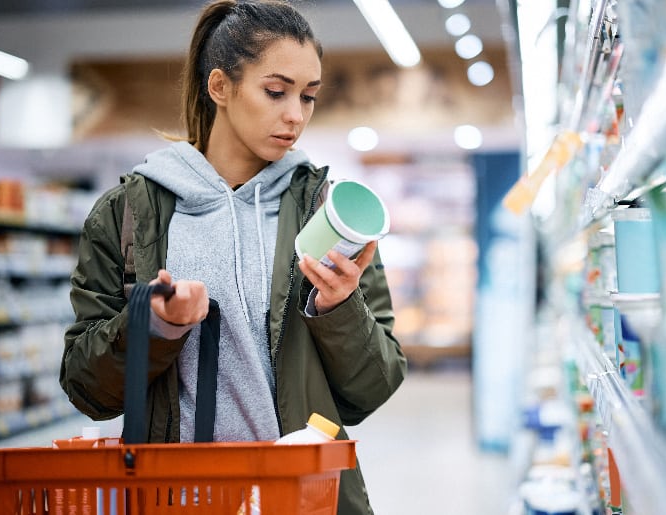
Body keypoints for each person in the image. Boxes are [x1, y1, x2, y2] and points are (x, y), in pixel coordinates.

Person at [60, 0, 407, 513]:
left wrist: (339, 311)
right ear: (219, 86)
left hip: (303, 497)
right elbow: (87, 388)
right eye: (275, 91)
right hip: (178, 498)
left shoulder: (324, 212)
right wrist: (156, 327)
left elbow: (373, 389)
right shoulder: (130, 213)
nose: (295, 114)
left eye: (308, 96)